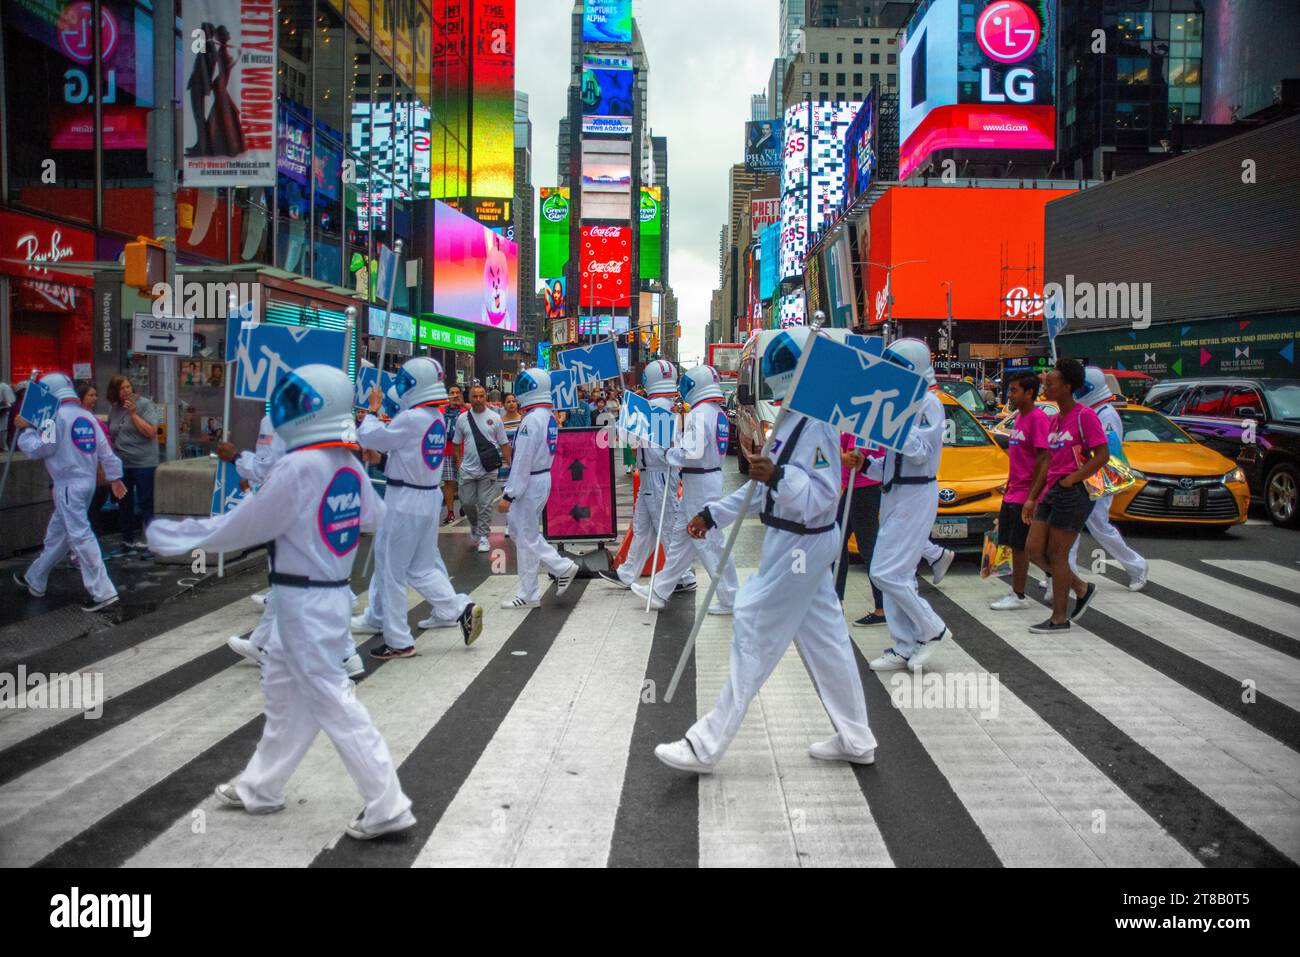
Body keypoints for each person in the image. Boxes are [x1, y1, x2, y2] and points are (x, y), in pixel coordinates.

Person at [146, 365, 415, 839]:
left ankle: (387, 804)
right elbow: (375, 517)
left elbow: (247, 524)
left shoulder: (299, 465)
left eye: (294, 400)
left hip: (303, 598)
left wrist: (178, 535)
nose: (285, 408)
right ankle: (261, 786)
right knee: (286, 691)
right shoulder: (344, 463)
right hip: (327, 593)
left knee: (331, 698)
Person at [654, 327, 877, 774]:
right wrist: (715, 513)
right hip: (795, 539)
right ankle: (857, 737)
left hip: (801, 542)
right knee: (828, 640)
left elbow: (821, 496)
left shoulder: (816, 425)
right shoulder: (794, 417)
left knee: (754, 622)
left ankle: (706, 744)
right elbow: (762, 486)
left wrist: (777, 477)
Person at [352, 356, 482, 658]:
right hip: (426, 497)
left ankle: (398, 639)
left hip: (405, 501)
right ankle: (460, 607)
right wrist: (382, 461)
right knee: (421, 568)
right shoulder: (434, 417)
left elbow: (369, 436)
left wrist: (372, 410)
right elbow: (409, 457)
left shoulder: (412, 418)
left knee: (392, 571)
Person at [865, 339, 952, 673]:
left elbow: (920, 453)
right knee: (899, 574)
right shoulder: (903, 401)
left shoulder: (928, 403)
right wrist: (864, 464)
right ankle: (904, 644)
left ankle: (932, 629)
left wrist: (889, 422)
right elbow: (891, 463)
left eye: (895, 367)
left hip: (916, 495)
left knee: (884, 571)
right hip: (895, 493)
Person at [13, 373, 127, 612]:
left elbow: (40, 448)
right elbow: (105, 452)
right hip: (86, 483)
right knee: (59, 534)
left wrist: (28, 431)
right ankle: (36, 577)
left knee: (79, 536)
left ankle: (103, 592)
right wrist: (115, 477)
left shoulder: (54, 419)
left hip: (67, 485)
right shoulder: (87, 417)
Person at [632, 364, 739, 614]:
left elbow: (691, 452)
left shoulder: (700, 413)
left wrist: (670, 452)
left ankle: (731, 596)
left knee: (708, 541)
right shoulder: (716, 412)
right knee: (682, 538)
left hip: (699, 481)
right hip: (704, 478)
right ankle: (660, 590)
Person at [1023, 358, 1107, 634]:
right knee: (1034, 550)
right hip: (1051, 491)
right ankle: (1081, 588)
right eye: (1046, 382)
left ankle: (1059, 618)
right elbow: (1046, 461)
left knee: (1058, 556)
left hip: (1073, 493)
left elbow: (1102, 455)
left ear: (1068, 387)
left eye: (1051, 382)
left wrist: (1073, 479)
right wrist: (1033, 497)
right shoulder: (1054, 419)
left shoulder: (1085, 416)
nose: (1046, 385)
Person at [599, 360, 695, 594]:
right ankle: (627, 572)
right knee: (644, 527)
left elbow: (627, 440)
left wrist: (627, 412)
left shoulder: (647, 407)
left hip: (656, 473)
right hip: (657, 473)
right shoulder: (673, 406)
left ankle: (683, 575)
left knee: (666, 526)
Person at [496, 368, 579, 608]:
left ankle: (560, 567)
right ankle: (529, 592)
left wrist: (509, 495)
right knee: (524, 535)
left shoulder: (531, 420)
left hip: (529, 481)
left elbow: (521, 460)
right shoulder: (548, 416)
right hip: (541, 478)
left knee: (525, 534)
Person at [1065, 366, 1148, 591]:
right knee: (1070, 527)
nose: (1077, 392)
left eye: (1080, 388)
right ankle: (1064, 574)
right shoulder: (1087, 411)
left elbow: (1108, 449)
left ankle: (1137, 567)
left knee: (1098, 525)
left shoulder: (1106, 413)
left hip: (1101, 477)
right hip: (1084, 475)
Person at [989, 373, 1052, 611]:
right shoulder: (1019, 418)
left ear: (1029, 393)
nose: (1010, 395)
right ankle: (1050, 580)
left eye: (1015, 390)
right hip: (1014, 491)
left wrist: (1032, 497)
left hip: (1026, 494)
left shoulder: (1037, 419)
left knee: (1024, 546)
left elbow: (1044, 458)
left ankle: (1020, 594)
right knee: (1016, 544)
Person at [106, 375, 162, 553]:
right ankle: (127, 541)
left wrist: (133, 414)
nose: (126, 391)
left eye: (128, 387)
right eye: (122, 388)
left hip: (144, 461)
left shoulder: (144, 404)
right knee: (124, 503)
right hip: (123, 462)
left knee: (146, 503)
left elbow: (151, 432)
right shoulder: (114, 408)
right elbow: (111, 432)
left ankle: (152, 543)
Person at [454, 384, 511, 553]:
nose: (478, 400)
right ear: (469, 398)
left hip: (489, 470)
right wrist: (458, 464)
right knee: (467, 503)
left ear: (485, 397)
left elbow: (504, 444)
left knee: (485, 504)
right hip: (467, 470)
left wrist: (512, 464)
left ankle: (484, 536)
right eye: (474, 397)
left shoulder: (495, 418)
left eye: (481, 396)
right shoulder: (462, 419)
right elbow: (456, 443)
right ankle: (475, 526)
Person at [836, 435, 886, 626]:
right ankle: (836, 600)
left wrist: (841, 457)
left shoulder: (869, 424)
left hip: (864, 489)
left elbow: (855, 459)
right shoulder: (854, 421)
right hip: (852, 488)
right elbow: (841, 448)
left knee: (868, 548)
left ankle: (883, 608)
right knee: (837, 543)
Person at [76, 382, 113, 538]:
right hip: (85, 473)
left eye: (95, 395)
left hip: (100, 470)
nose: (94, 398)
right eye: (90, 395)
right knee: (87, 515)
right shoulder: (71, 419)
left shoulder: (91, 417)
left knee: (93, 512)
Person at [441, 384, 464, 525]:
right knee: (449, 482)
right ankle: (450, 511)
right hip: (447, 451)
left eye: (457, 392)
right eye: (452, 392)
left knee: (465, 482)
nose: (455, 395)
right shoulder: (441, 410)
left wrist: (462, 404)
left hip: (463, 451)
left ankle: (465, 505)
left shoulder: (465, 411)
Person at [0, 378, 15, 451]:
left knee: (4, 430)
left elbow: (10, 403)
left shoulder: (4, 386)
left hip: (4, 413)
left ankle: (5, 447)